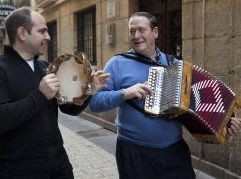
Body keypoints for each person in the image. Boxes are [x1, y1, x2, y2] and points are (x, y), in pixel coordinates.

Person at [89, 11, 241, 179]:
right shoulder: (117, 63)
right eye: (132, 31)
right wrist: (125, 93)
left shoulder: (173, 64)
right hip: (134, 152)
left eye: (141, 30)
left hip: (174, 151)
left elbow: (199, 100)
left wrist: (224, 119)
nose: (136, 35)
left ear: (155, 32)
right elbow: (95, 103)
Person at [0, 7, 109, 179]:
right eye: (42, 31)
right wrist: (39, 95)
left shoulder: (45, 67)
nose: (48, 37)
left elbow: (69, 109)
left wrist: (88, 89)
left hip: (59, 166)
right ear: (22, 33)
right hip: (19, 172)